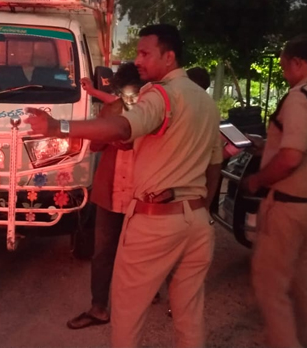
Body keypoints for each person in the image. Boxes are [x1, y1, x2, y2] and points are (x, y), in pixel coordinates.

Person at [25, 24, 222, 348]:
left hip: (157, 219)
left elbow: (121, 126)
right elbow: (213, 165)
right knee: (189, 314)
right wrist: (202, 209)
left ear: (169, 57)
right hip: (197, 221)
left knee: (128, 313)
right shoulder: (205, 101)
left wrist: (57, 127)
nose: (138, 59)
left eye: (145, 53)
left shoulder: (159, 94)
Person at [241, 35, 307, 348]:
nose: (284, 73)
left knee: (269, 286)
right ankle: (305, 341)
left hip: (289, 208)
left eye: (284, 66)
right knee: (304, 281)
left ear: (299, 63)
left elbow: (291, 158)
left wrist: (259, 179)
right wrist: (268, 147)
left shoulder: (302, 96)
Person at [67, 63, 144, 330]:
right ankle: (100, 307)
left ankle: (113, 306)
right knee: (105, 253)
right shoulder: (112, 109)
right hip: (114, 191)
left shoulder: (154, 111)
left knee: (132, 253)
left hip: (143, 194)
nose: (130, 97)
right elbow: (95, 143)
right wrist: (113, 137)